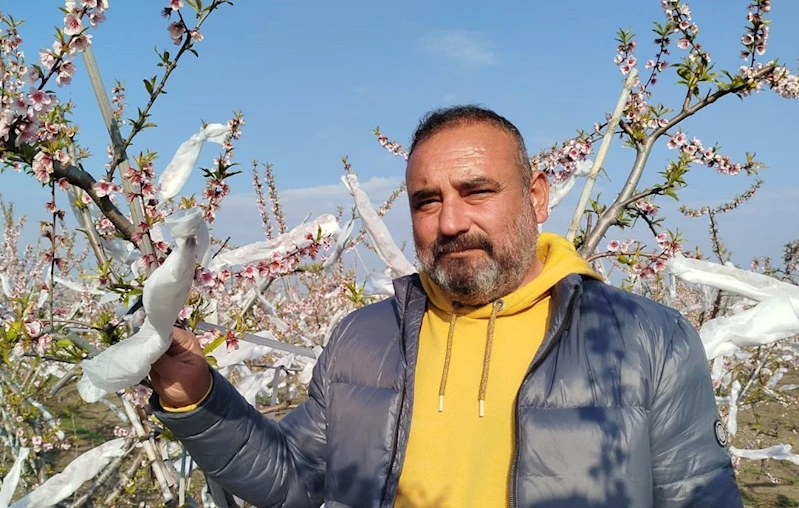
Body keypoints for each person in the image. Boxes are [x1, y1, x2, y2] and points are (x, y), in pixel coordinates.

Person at [149, 105, 742, 508]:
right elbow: (293, 479)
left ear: (537, 197)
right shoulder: (363, 338)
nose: (451, 222)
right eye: (426, 201)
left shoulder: (646, 339)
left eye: (477, 191)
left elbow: (696, 494)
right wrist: (198, 399)